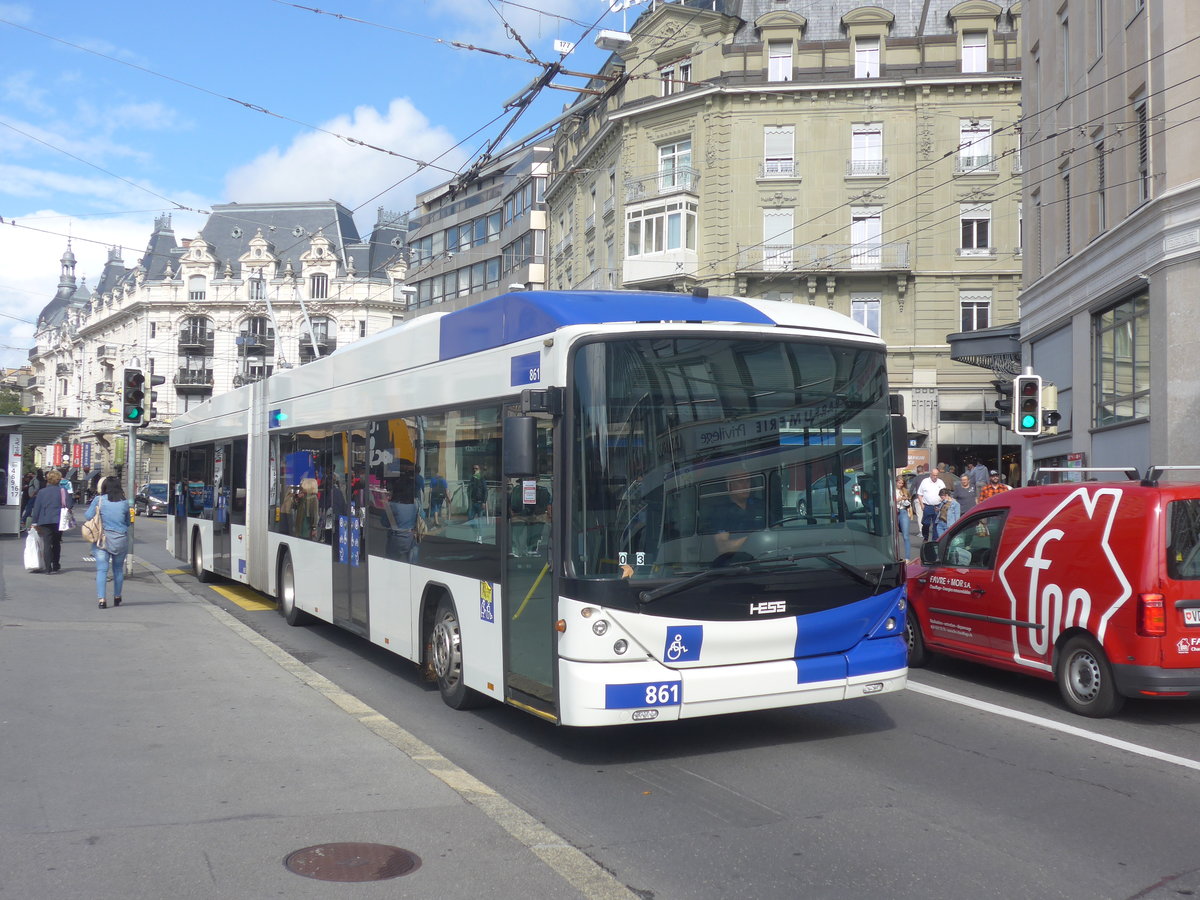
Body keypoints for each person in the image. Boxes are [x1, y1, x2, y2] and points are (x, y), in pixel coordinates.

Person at [84, 477, 131, 609]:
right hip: (120, 539)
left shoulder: (99, 500)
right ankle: (117, 597)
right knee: (118, 570)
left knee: (102, 570)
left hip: (102, 540)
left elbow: (88, 516)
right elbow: (128, 522)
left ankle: (102, 600)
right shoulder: (125, 503)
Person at [701, 471, 765, 559]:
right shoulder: (720, 512)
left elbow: (776, 531)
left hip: (764, 560)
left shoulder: (760, 505)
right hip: (733, 566)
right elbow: (723, 547)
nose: (745, 486)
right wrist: (753, 539)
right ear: (729, 485)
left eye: (748, 481)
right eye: (740, 481)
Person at [28, 469, 74, 574]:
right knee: (57, 542)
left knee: (47, 543)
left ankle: (48, 568)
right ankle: (56, 564)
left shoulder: (42, 492)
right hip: (59, 520)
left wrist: (34, 522)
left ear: (48, 479)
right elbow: (69, 505)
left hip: (44, 519)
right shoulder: (63, 491)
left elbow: (37, 507)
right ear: (59, 480)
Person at [915, 466, 948, 542]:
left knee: (936, 524)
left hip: (938, 506)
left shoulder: (940, 482)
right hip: (927, 506)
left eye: (936, 475)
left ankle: (934, 541)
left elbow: (945, 494)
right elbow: (919, 494)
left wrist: (943, 504)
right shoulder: (925, 481)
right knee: (925, 523)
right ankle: (925, 537)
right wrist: (922, 505)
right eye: (934, 475)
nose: (935, 477)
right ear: (931, 474)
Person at [895, 474, 915, 560]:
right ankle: (895, 556)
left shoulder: (905, 490)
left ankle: (907, 558)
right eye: (899, 483)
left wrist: (906, 500)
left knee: (906, 536)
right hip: (894, 512)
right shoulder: (891, 490)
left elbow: (908, 502)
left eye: (902, 483)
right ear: (895, 482)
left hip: (903, 511)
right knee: (894, 536)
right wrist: (899, 499)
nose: (900, 485)